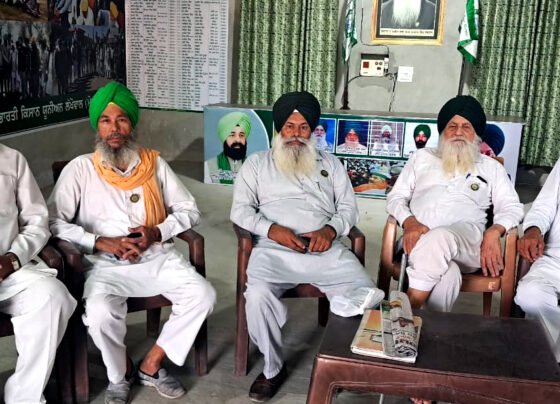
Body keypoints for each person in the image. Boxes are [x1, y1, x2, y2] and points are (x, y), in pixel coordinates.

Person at [48, 81, 216, 404]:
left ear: (132, 124)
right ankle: (119, 374)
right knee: (99, 312)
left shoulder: (153, 164)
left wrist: (157, 232)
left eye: (122, 119)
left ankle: (151, 365)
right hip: (104, 264)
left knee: (203, 296)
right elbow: (53, 222)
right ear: (97, 126)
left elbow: (189, 210)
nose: (114, 129)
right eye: (106, 120)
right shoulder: (80, 169)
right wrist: (99, 242)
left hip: (156, 257)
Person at [231, 91, 383, 402]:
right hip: (273, 250)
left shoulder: (331, 164)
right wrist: (272, 230)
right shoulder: (256, 164)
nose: (296, 134)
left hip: (325, 250)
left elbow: (348, 209)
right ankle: (272, 368)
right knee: (257, 296)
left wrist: (330, 230)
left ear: (312, 131)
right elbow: (240, 212)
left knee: (368, 294)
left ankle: (346, 363)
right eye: (290, 126)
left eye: (303, 127)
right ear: (279, 129)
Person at [386, 95, 523, 312]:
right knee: (448, 275)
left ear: (476, 134)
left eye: (466, 127)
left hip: (469, 246)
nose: (459, 132)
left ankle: (405, 311)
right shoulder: (421, 158)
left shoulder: (491, 168)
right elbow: (396, 197)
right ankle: (429, 329)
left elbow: (512, 207)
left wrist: (495, 230)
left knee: (441, 236)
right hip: (418, 242)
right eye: (452, 126)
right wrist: (409, 221)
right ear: (443, 131)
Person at [0, 143, 76, 404]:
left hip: (10, 272)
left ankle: (24, 397)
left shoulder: (12, 159)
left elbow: (36, 222)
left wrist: (12, 259)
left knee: (53, 298)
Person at [514, 159, 560, 363]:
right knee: (530, 294)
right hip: (555, 259)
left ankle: (548, 366)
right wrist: (533, 230)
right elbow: (544, 206)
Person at [205, 111, 251, 184]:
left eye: (241, 135)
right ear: (224, 138)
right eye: (232, 135)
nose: (237, 140)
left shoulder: (252, 166)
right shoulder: (208, 166)